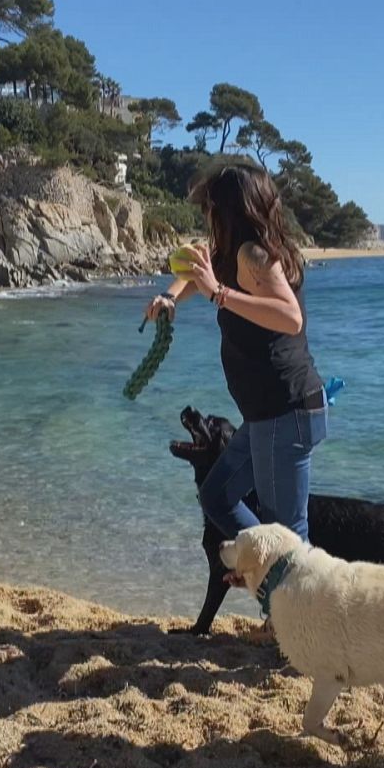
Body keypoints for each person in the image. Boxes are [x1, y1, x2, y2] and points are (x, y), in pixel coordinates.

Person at [144, 162, 327, 541]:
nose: (207, 214)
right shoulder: (232, 251)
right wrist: (170, 296)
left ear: (228, 209)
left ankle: (284, 583)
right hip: (266, 416)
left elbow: (290, 317)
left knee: (287, 537)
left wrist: (219, 295)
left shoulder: (255, 254)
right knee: (217, 497)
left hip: (286, 413)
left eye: (210, 206)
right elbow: (197, 274)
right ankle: (270, 577)